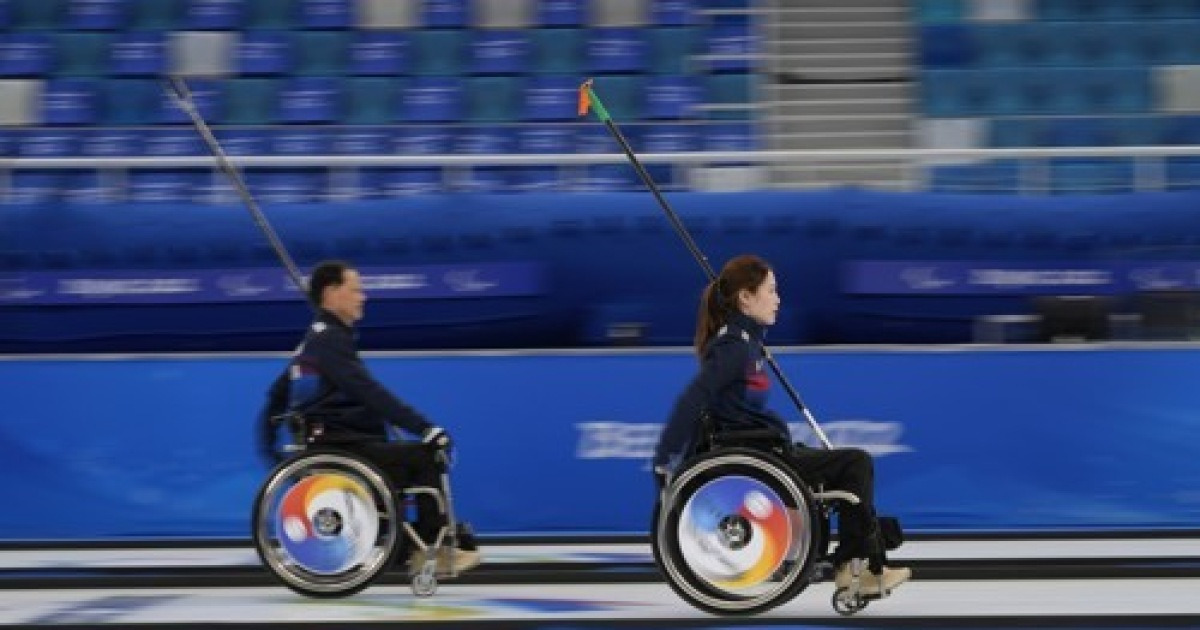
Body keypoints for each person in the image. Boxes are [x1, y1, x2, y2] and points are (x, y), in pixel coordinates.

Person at [653, 254, 909, 596]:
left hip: (764, 449)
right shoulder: (733, 348)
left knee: (850, 469)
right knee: (854, 462)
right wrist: (665, 455)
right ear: (746, 297)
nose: (778, 299)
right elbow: (693, 399)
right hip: (758, 454)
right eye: (771, 291)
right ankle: (853, 567)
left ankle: (856, 565)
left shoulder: (746, 343)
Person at [259, 259, 480, 573]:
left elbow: (276, 395)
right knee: (426, 456)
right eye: (356, 289)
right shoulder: (328, 340)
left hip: (335, 442)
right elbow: (369, 391)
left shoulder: (316, 339)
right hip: (342, 447)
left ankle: (408, 546)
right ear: (332, 293)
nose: (364, 297)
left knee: (404, 461)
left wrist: (270, 446)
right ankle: (431, 547)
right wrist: (425, 427)